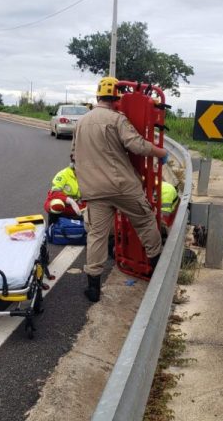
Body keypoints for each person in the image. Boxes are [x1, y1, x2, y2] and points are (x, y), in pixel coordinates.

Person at [71, 76, 168, 302]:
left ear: (97, 96)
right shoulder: (117, 119)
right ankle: (156, 267)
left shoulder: (82, 122)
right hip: (122, 186)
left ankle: (93, 287)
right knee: (144, 222)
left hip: (94, 191)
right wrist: (161, 153)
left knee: (96, 235)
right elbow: (136, 145)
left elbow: (74, 155)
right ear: (116, 98)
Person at [43, 160, 85, 225]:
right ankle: (52, 229)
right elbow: (54, 193)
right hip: (63, 206)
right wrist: (70, 201)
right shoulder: (63, 174)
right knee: (57, 205)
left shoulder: (89, 176)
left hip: (79, 207)